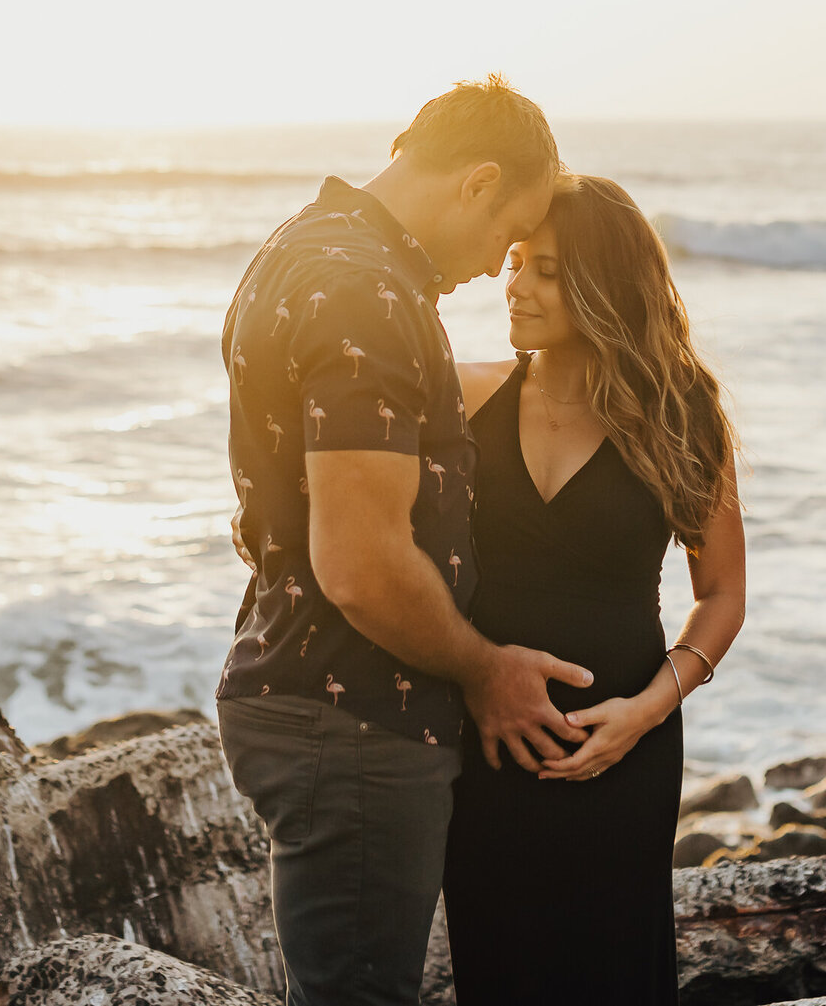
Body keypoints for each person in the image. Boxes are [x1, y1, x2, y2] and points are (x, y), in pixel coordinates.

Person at [216, 77, 596, 1006]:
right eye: (509, 232)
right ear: (476, 182)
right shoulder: (365, 292)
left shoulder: (303, 248)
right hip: (354, 721)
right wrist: (484, 669)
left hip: (309, 693)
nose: (498, 262)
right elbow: (361, 561)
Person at [443, 175, 748, 1006]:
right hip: (487, 739)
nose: (515, 285)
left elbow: (721, 594)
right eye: (514, 260)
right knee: (498, 965)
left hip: (625, 746)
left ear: (601, 281)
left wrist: (646, 712)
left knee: (613, 969)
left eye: (545, 268)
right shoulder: (464, 395)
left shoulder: (679, 414)